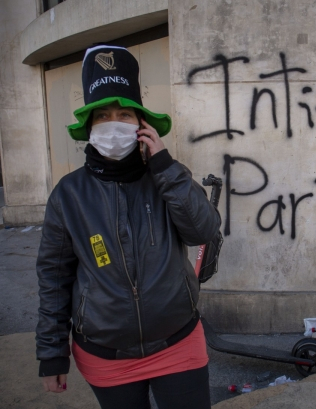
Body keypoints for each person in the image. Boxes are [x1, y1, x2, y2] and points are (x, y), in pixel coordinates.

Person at [35, 45, 220, 409]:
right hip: (106, 356)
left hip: (178, 343)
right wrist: (52, 354)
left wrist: (165, 167)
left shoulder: (166, 176)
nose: (113, 123)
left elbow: (203, 231)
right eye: (102, 115)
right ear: (89, 127)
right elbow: (53, 278)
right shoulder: (68, 195)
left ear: (141, 124)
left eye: (124, 114)